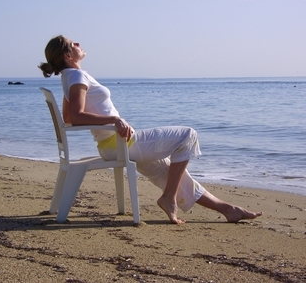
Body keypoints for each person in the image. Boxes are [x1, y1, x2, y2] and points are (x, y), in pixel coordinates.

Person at [39, 35, 262, 224]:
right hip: (121, 143)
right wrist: (114, 120)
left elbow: (68, 117)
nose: (78, 43)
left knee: (172, 173)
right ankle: (169, 198)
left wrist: (110, 123)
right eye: (73, 44)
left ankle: (228, 209)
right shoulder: (76, 75)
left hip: (113, 146)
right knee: (188, 135)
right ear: (68, 56)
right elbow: (76, 117)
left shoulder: (69, 77)